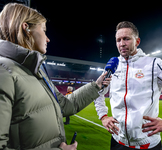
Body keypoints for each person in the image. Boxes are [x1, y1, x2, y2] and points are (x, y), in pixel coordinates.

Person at [0, 3, 111, 150]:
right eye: (44, 30)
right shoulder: (4, 72)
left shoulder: (37, 72)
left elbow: (65, 106)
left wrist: (96, 85)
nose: (48, 39)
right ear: (26, 28)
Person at [94, 21, 162, 150]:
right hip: (117, 141)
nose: (122, 44)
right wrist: (103, 116)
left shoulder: (153, 64)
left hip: (147, 144)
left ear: (137, 41)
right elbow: (97, 92)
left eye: (126, 39)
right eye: (118, 40)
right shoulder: (113, 66)